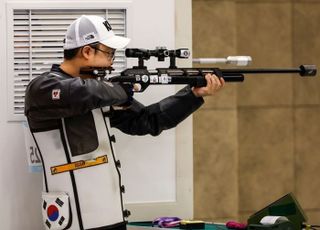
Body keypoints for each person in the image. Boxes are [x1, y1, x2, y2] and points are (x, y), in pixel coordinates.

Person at [24, 15, 225, 230]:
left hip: (110, 217)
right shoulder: (43, 88)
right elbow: (79, 93)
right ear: (87, 51)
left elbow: (149, 120)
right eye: (109, 52)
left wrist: (193, 95)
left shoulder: (102, 92)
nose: (112, 60)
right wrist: (124, 90)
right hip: (73, 220)